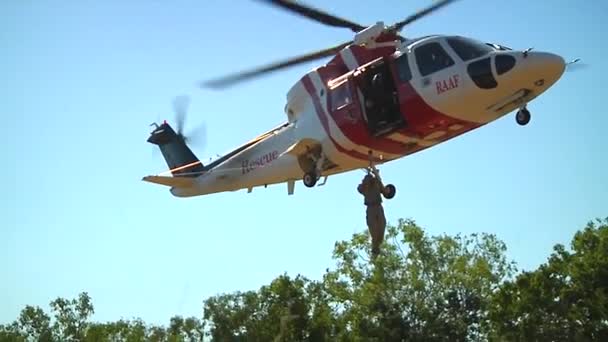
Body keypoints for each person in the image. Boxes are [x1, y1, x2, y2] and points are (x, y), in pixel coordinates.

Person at [357, 169, 387, 259]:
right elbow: (360, 189)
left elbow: (385, 190)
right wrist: (369, 180)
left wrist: (376, 175)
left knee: (381, 227)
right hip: (371, 208)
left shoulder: (376, 182)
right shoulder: (363, 187)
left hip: (378, 206)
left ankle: (376, 248)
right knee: (374, 230)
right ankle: (375, 249)